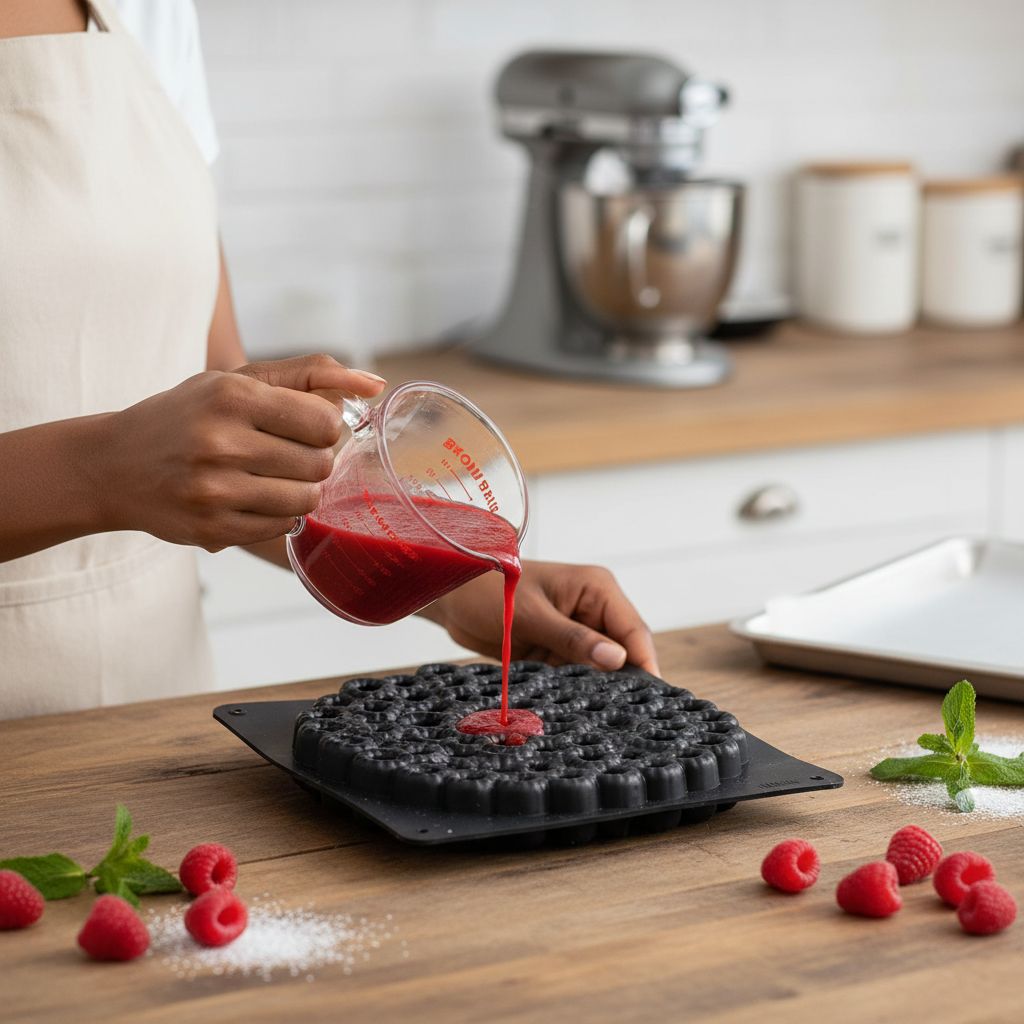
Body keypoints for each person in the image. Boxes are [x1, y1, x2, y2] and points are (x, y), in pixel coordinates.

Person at [0, 0, 658, 720]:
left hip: (152, 717)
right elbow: (143, 462)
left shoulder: (147, 12)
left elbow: (239, 444)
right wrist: (100, 470)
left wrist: (457, 583)